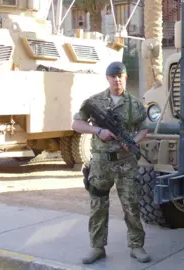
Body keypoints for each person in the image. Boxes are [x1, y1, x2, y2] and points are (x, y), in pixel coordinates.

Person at [71, 61, 150, 264]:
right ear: (107, 78)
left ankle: (136, 246)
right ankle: (97, 247)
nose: (116, 80)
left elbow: (144, 129)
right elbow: (76, 124)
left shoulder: (134, 104)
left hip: (126, 164)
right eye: (113, 76)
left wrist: (132, 142)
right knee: (98, 206)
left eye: (120, 76)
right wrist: (98, 131)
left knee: (132, 206)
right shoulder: (94, 102)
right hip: (100, 164)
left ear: (125, 77)